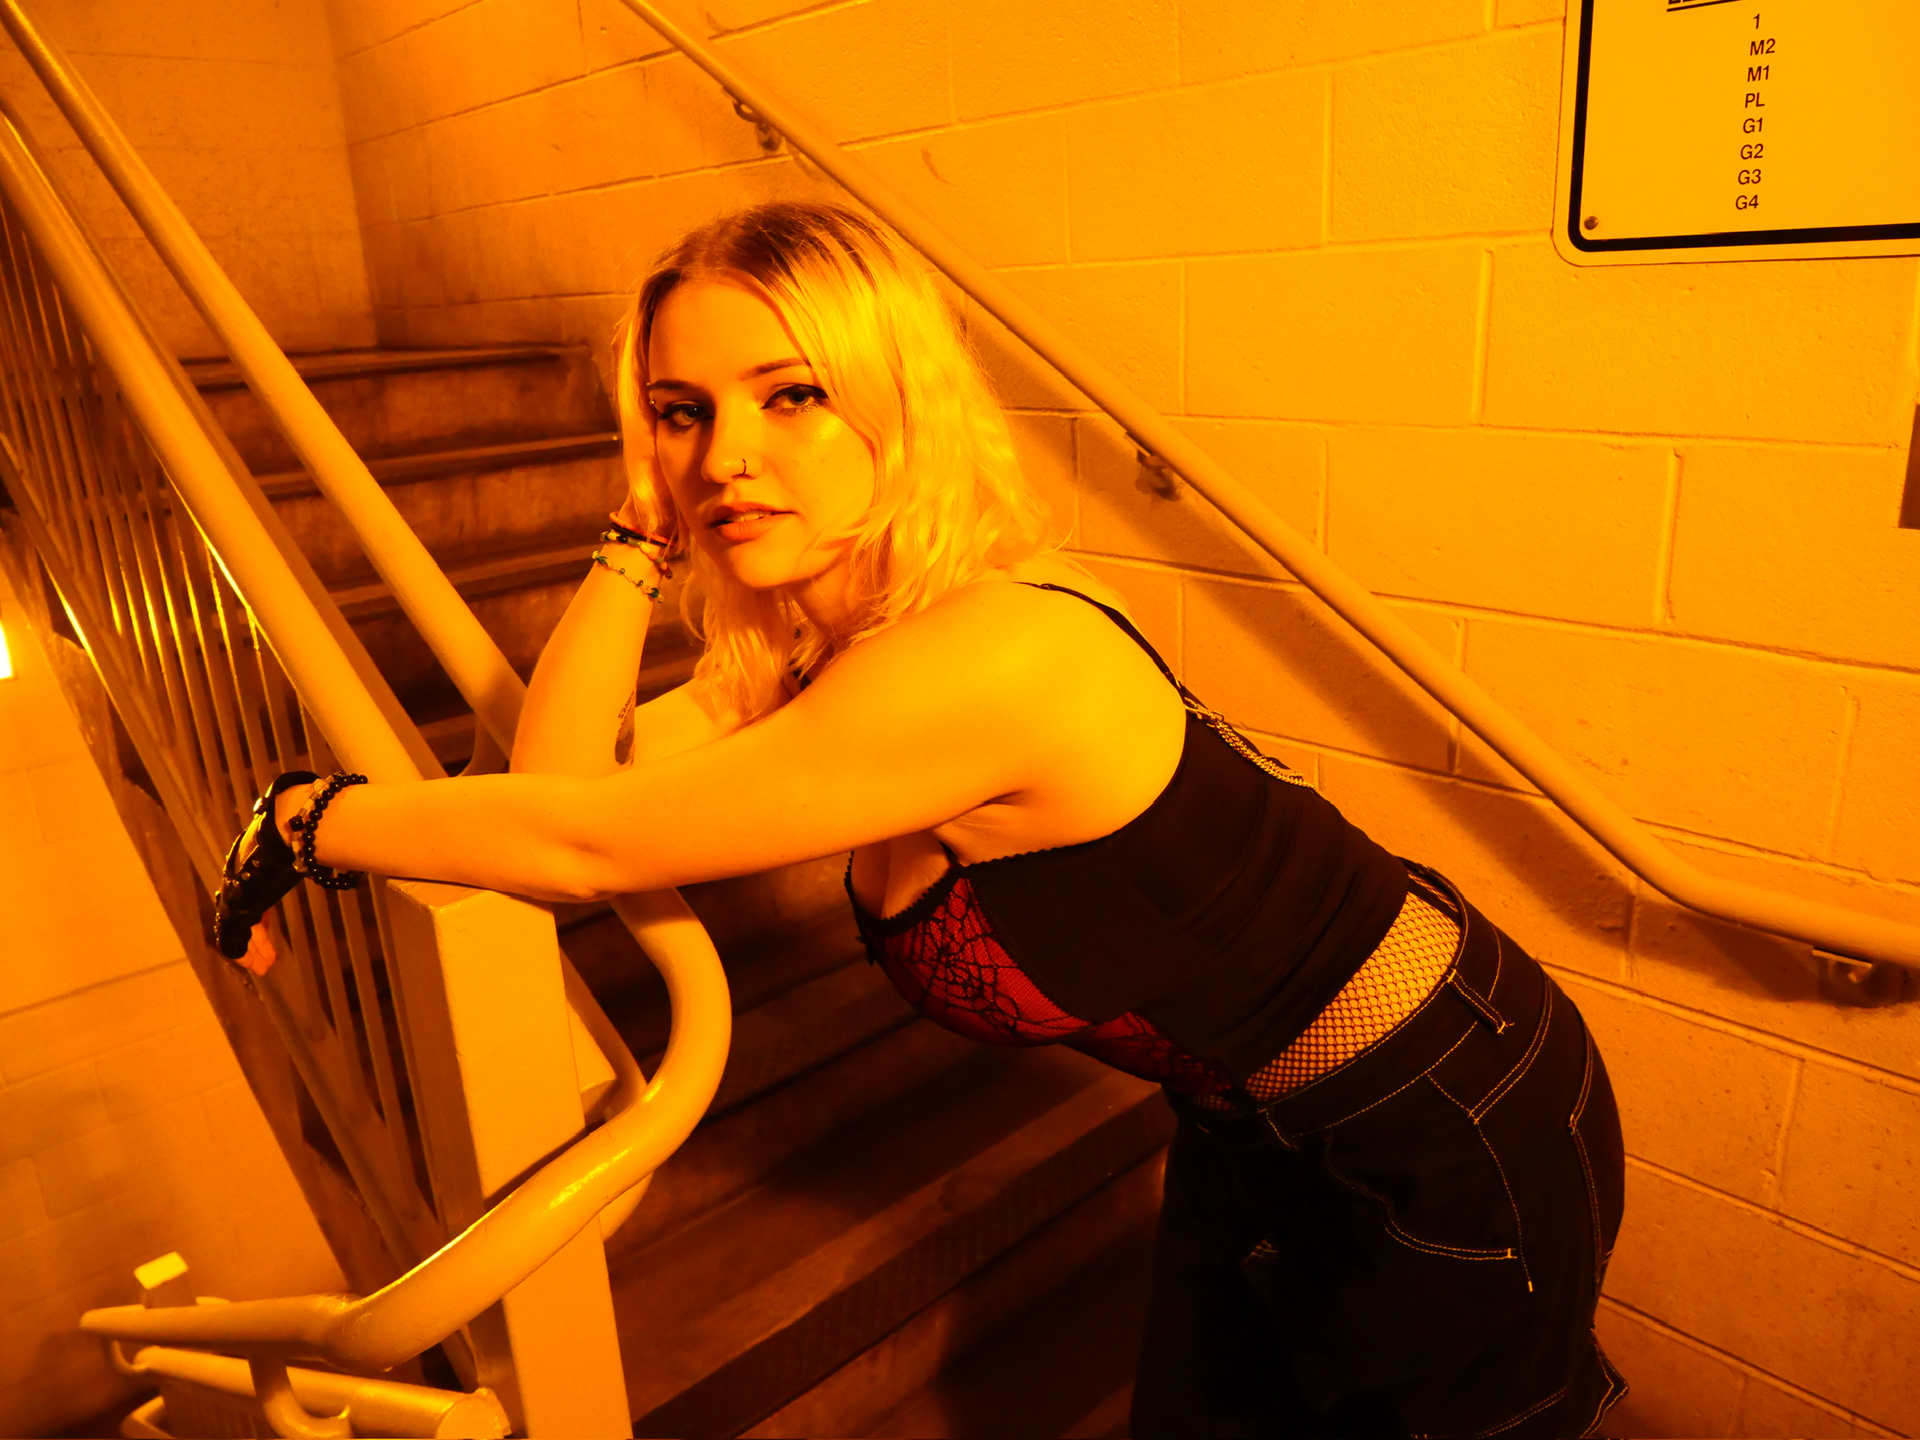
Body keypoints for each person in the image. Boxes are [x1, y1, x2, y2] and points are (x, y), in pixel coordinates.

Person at [212, 201, 1626, 1439]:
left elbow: (581, 850)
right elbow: (567, 782)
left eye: (792, 395)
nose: (726, 456)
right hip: (1251, 1119)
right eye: (683, 411)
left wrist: (309, 818)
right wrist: (640, 527)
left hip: (1443, 1108)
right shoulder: (814, 641)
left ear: (900, 404)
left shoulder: (984, 655)